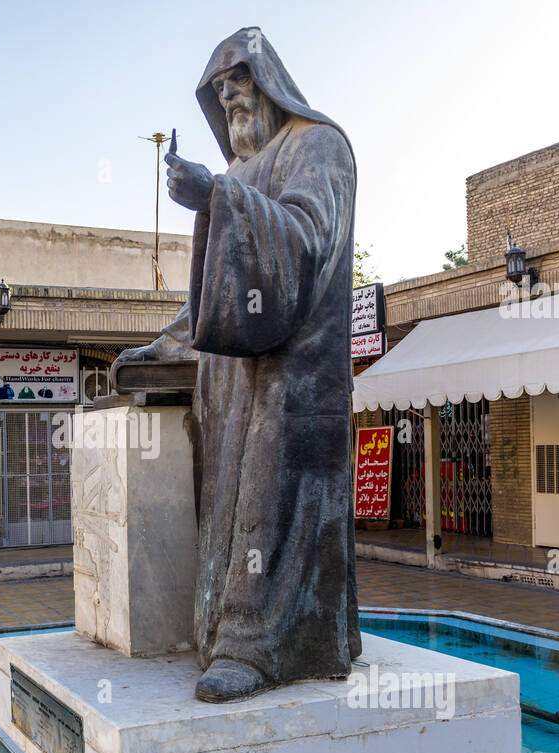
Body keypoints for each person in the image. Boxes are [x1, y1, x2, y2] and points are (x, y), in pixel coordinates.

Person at [110, 27, 361, 703]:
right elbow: (215, 295)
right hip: (229, 386)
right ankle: (227, 632)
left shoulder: (320, 146)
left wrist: (218, 197)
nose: (230, 101)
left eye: (239, 83)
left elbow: (307, 241)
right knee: (229, 504)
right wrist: (167, 344)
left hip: (294, 377)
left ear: (267, 80)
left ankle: (259, 645)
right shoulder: (243, 172)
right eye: (219, 92)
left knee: (268, 495)